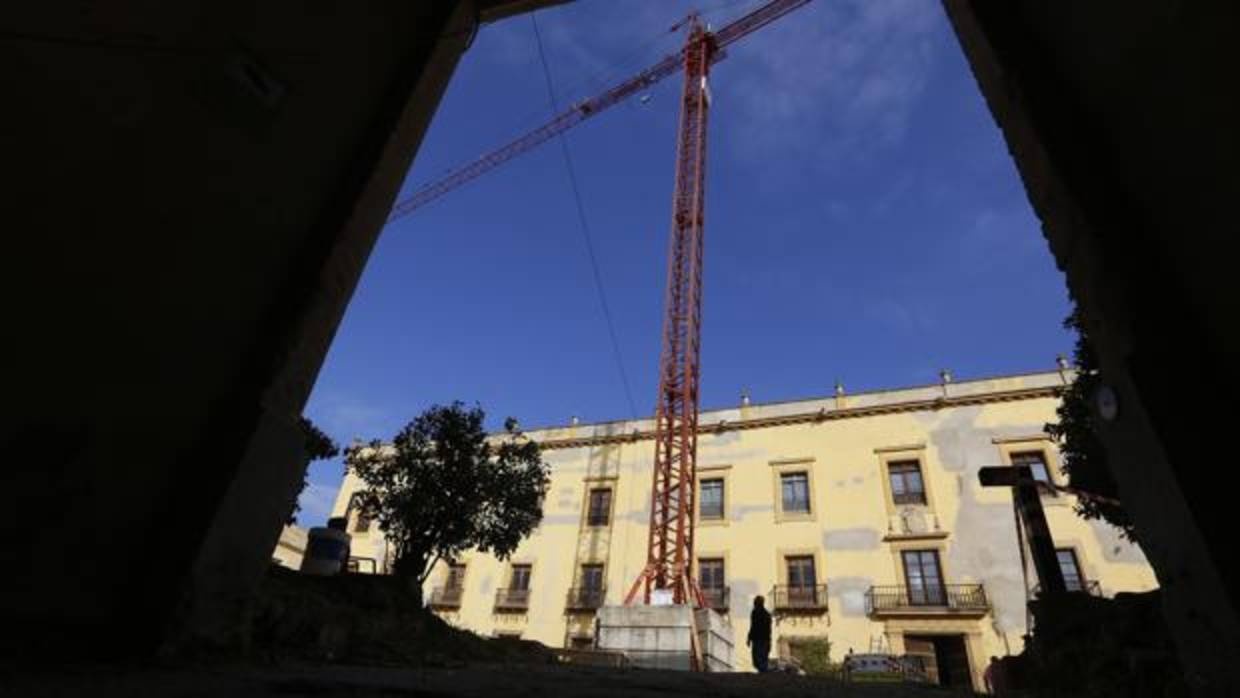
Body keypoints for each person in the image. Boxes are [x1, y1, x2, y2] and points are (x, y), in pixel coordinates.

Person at [747, 595, 772, 673]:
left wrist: (749, 638)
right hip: (762, 639)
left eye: (755, 603)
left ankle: (763, 674)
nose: (754, 604)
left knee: (759, 658)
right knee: (759, 658)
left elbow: (753, 626)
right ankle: (763, 672)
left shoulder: (756, 613)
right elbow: (753, 626)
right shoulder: (766, 614)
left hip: (760, 639)